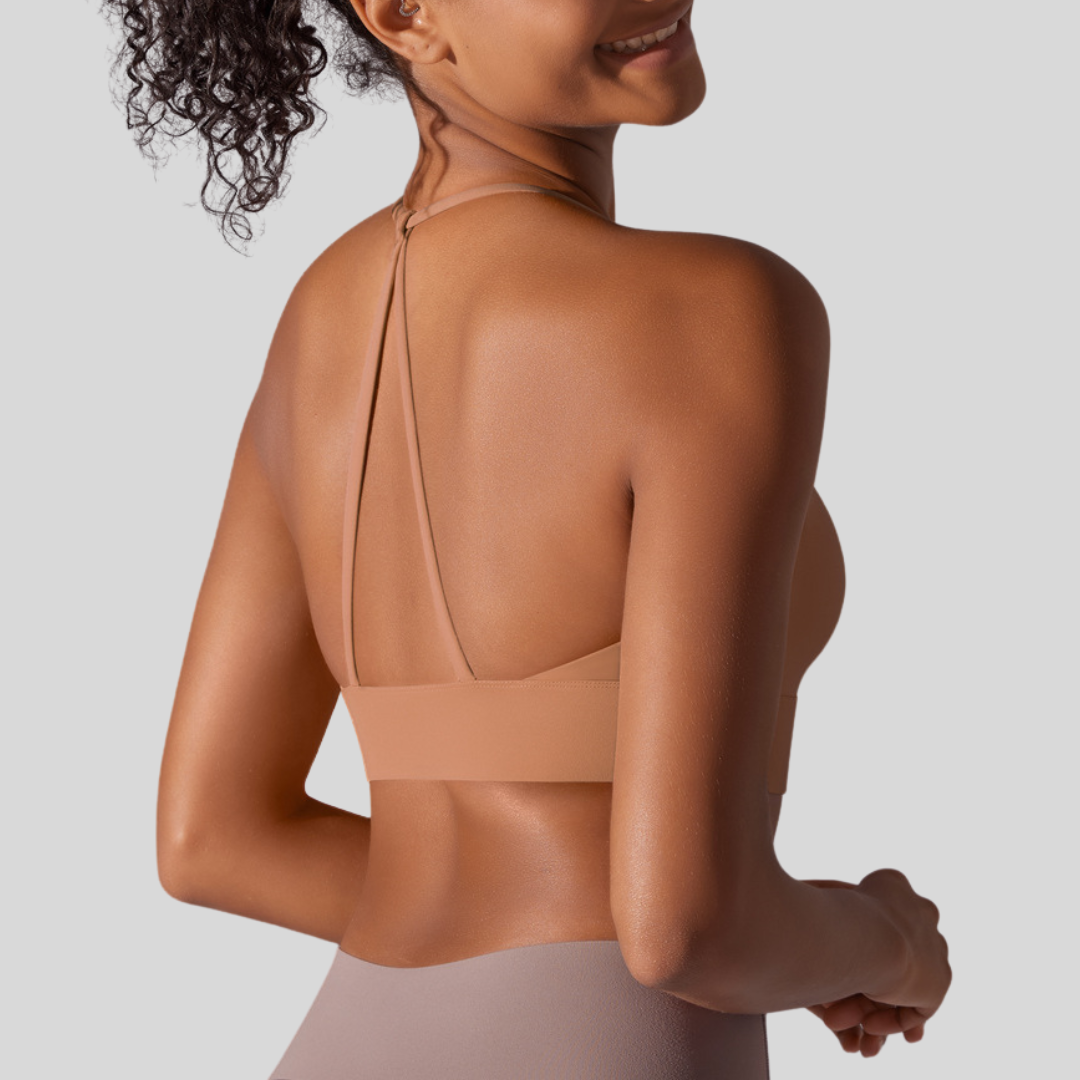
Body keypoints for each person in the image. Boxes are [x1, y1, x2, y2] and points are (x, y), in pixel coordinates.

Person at [103, 1, 951, 1075]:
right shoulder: (712, 308)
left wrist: (761, 944)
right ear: (405, 13)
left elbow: (217, 839)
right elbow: (689, 929)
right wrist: (885, 942)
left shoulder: (323, 315)